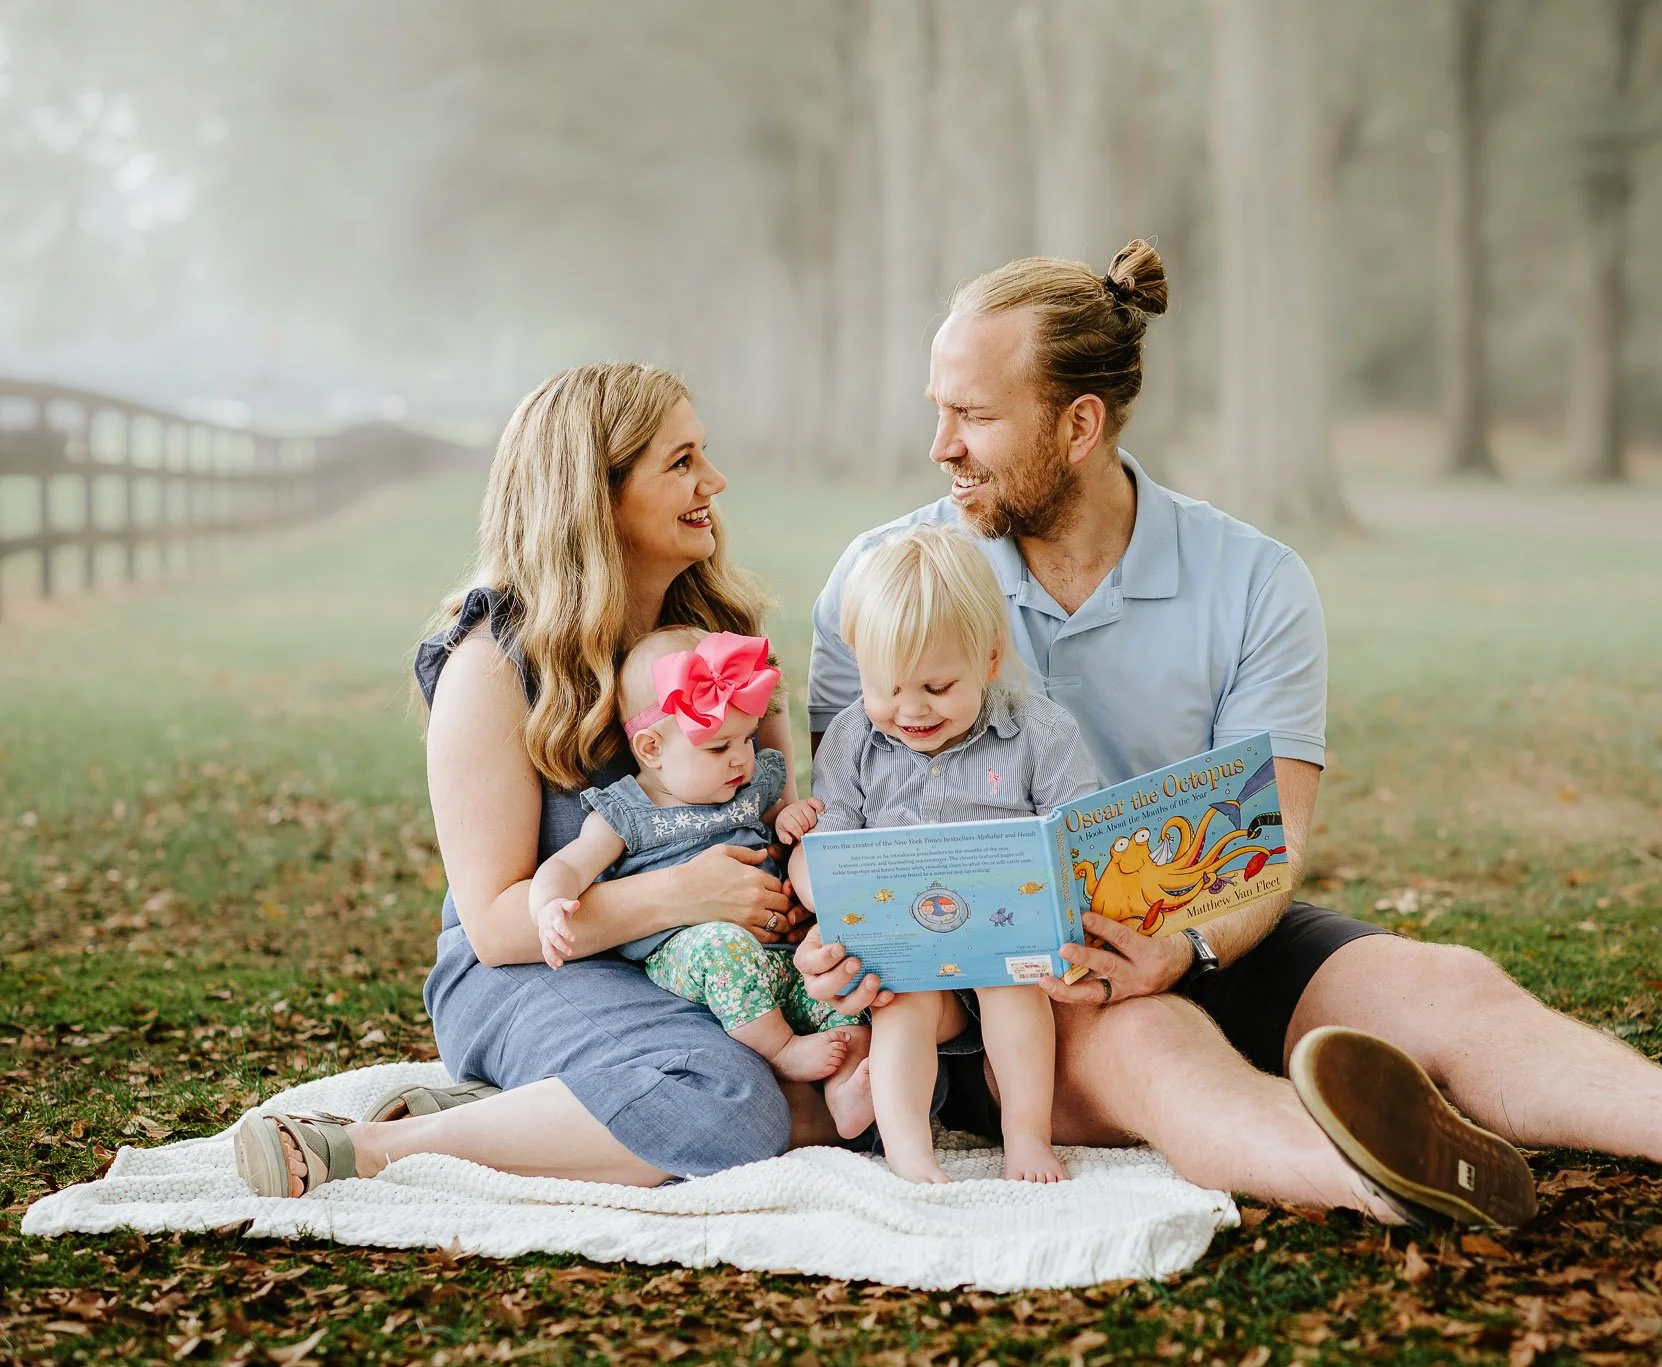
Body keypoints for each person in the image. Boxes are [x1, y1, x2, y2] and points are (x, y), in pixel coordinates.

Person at [795, 242, 1662, 1227]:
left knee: (1443, 983)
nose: (938, 444)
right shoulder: (885, 582)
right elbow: (846, 826)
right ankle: (1387, 1171)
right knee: (1156, 1049)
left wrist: (1186, 948)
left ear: (1077, 424)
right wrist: (837, 934)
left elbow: (1273, 831)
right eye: (938, 408)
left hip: (1206, 923)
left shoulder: (1251, 578)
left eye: (973, 415)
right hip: (1013, 983)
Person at [233, 362, 816, 1199]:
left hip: (703, 959)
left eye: (705, 456)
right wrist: (689, 894)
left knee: (887, 1066)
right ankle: (382, 1145)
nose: (713, 481)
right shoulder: (492, 664)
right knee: (730, 1106)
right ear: (597, 492)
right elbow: (502, 926)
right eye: (681, 461)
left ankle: (541, 1109)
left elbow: (768, 822)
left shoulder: (720, 639)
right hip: (530, 970)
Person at [787, 524, 1098, 1184]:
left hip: (1007, 936)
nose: (910, 709)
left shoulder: (1037, 732)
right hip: (908, 945)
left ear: (988, 661)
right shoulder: (852, 740)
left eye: (935, 686)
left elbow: (1079, 831)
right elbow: (832, 839)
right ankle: (908, 1150)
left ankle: (1026, 1136)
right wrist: (822, 888)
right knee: (903, 1004)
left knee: (1014, 991)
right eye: (888, 687)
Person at [526, 626, 870, 1133]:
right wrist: (550, 904)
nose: (740, 758)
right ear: (650, 748)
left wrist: (790, 819)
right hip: (692, 954)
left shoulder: (753, 785)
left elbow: (782, 826)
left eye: (747, 739)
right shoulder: (628, 809)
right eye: (717, 747)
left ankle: (846, 1094)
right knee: (722, 944)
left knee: (835, 980)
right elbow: (568, 865)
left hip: (777, 956)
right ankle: (782, 1050)